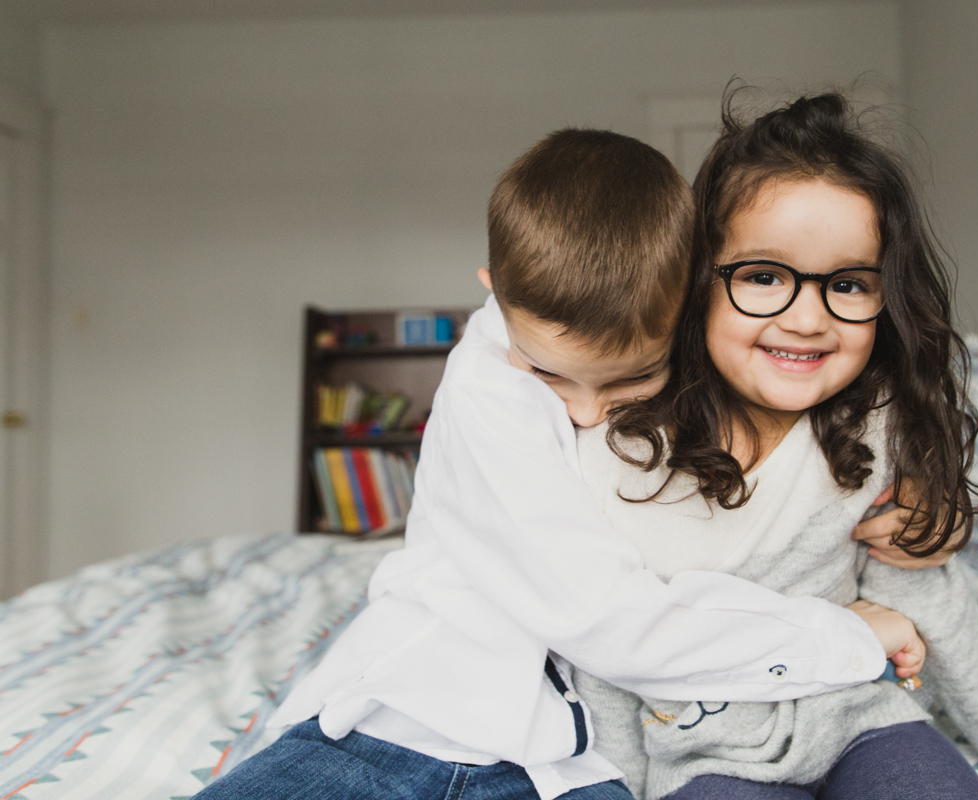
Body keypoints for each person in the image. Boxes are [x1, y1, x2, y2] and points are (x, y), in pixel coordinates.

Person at [194, 129, 928, 800]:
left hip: (572, 768)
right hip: (406, 726)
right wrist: (843, 636)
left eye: (628, 383)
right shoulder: (489, 391)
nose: (583, 413)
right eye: (549, 375)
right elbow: (608, 622)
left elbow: (796, 439)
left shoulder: (690, 355)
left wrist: (924, 495)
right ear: (495, 293)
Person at [571, 91, 978, 800]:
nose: (807, 318)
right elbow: (594, 641)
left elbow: (928, 594)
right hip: (703, 753)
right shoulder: (624, 449)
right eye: (762, 276)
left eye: (847, 284)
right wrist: (613, 786)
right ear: (695, 282)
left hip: (864, 718)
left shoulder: (875, 429)